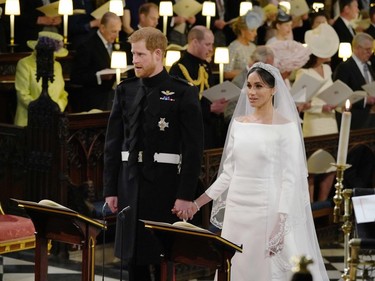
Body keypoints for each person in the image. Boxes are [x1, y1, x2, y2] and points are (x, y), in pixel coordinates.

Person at [181, 62, 329, 281]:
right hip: (237, 212)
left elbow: (290, 179)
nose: (251, 92)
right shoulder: (239, 123)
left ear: (274, 89)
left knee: (265, 269)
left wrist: (280, 225)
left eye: (258, 86)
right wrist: (197, 203)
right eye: (249, 86)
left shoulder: (286, 127)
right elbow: (228, 173)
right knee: (235, 266)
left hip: (266, 211)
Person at [103, 27, 204, 281]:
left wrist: (185, 195)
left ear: (158, 54)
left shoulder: (183, 92)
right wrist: (110, 189)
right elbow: (113, 144)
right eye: (132, 54)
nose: (134, 60)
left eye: (140, 54)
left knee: (162, 256)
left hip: (164, 186)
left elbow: (193, 150)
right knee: (132, 259)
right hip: (129, 184)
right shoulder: (125, 90)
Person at [169, 25, 228, 149]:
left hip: (208, 126)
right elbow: (179, 103)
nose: (211, 49)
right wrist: (209, 108)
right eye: (207, 44)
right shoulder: (179, 68)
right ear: (195, 42)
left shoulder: (205, 65)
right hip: (189, 130)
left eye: (212, 44)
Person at [70, 12, 122, 112]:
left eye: (118, 31)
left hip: (112, 96)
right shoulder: (87, 46)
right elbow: (76, 77)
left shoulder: (116, 45)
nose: (117, 36)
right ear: (102, 28)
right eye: (113, 31)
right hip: (94, 99)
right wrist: (99, 76)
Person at [14, 31, 68, 126]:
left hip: (53, 122)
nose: (53, 58)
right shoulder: (24, 64)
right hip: (29, 123)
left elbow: (63, 94)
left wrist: (57, 107)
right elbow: (23, 95)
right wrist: (44, 111)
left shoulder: (57, 66)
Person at [333, 32, 375, 129]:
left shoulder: (368, 66)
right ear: (357, 48)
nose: (370, 53)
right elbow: (341, 94)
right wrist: (365, 100)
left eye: (371, 49)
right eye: (367, 49)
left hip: (370, 118)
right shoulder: (344, 67)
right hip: (355, 119)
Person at [224, 9, 263, 80]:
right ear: (242, 30)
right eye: (252, 30)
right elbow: (227, 73)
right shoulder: (234, 47)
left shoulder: (253, 47)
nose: (255, 33)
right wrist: (248, 71)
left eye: (256, 30)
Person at [331, 0, 359, 71]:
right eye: (355, 7)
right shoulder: (338, 26)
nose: (358, 10)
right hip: (341, 68)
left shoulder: (349, 26)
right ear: (346, 9)